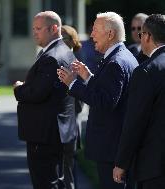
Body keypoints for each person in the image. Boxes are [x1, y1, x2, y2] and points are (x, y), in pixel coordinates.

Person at [57, 12, 138, 189]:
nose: (91, 34)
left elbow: (105, 102)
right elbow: (111, 92)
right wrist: (89, 78)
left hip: (112, 149)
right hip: (116, 147)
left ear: (110, 34)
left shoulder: (116, 62)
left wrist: (73, 84)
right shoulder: (123, 55)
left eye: (95, 30)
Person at [13, 11, 77, 189]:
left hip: (45, 134)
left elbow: (37, 93)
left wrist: (19, 88)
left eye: (39, 28)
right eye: (33, 28)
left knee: (45, 182)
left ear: (54, 28)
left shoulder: (51, 56)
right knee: (59, 181)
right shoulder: (65, 51)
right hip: (58, 131)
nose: (35, 32)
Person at [113, 14, 165, 189]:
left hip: (154, 166)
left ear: (148, 36)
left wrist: (121, 163)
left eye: (141, 34)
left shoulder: (146, 71)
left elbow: (135, 121)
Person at [61, 25, 83, 189]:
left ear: (72, 41)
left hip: (69, 127)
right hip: (60, 127)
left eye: (64, 38)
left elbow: (80, 104)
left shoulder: (76, 65)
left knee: (68, 173)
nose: (60, 41)